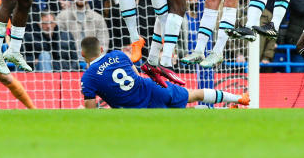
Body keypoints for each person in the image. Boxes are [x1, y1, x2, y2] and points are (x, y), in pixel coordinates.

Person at [79, 36, 248, 109]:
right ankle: (238, 98)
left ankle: (223, 111)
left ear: (83, 54)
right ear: (101, 49)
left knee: (183, 114)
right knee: (192, 95)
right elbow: (136, 74)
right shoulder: (118, 54)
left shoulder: (88, 78)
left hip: (133, 108)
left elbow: (91, 109)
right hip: (150, 89)